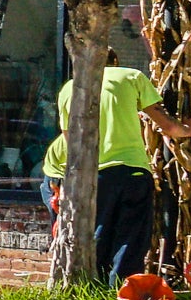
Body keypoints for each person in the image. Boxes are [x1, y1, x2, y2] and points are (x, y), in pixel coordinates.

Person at [41, 52, 162, 282]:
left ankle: (92, 294)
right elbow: (168, 125)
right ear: (115, 62)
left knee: (96, 237)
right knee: (130, 240)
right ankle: (121, 296)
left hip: (89, 176)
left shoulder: (70, 88)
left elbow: (69, 143)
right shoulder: (131, 76)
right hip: (133, 172)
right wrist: (190, 129)